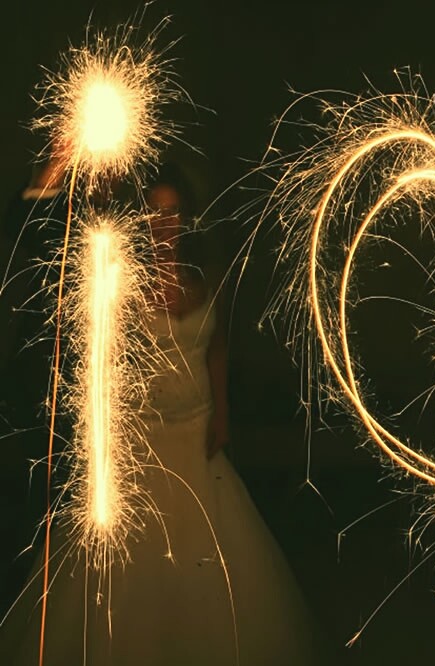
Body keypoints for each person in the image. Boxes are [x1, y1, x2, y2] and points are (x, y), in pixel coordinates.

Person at [0, 166, 317, 665]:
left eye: (170, 211)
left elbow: (216, 346)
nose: (161, 221)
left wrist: (223, 410)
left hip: (197, 431)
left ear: (184, 218)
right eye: (152, 210)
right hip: (144, 436)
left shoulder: (202, 274)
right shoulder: (120, 277)